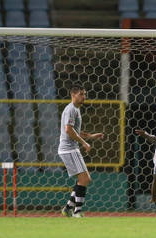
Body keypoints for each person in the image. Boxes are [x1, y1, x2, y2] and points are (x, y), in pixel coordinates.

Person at [59, 84, 104, 218]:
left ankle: (68, 208)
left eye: (84, 94)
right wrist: (84, 143)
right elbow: (68, 130)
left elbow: (74, 131)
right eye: (81, 94)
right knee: (84, 179)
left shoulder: (76, 110)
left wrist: (90, 136)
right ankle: (76, 212)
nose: (84, 97)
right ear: (73, 95)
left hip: (71, 149)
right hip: (69, 149)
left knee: (85, 179)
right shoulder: (71, 109)